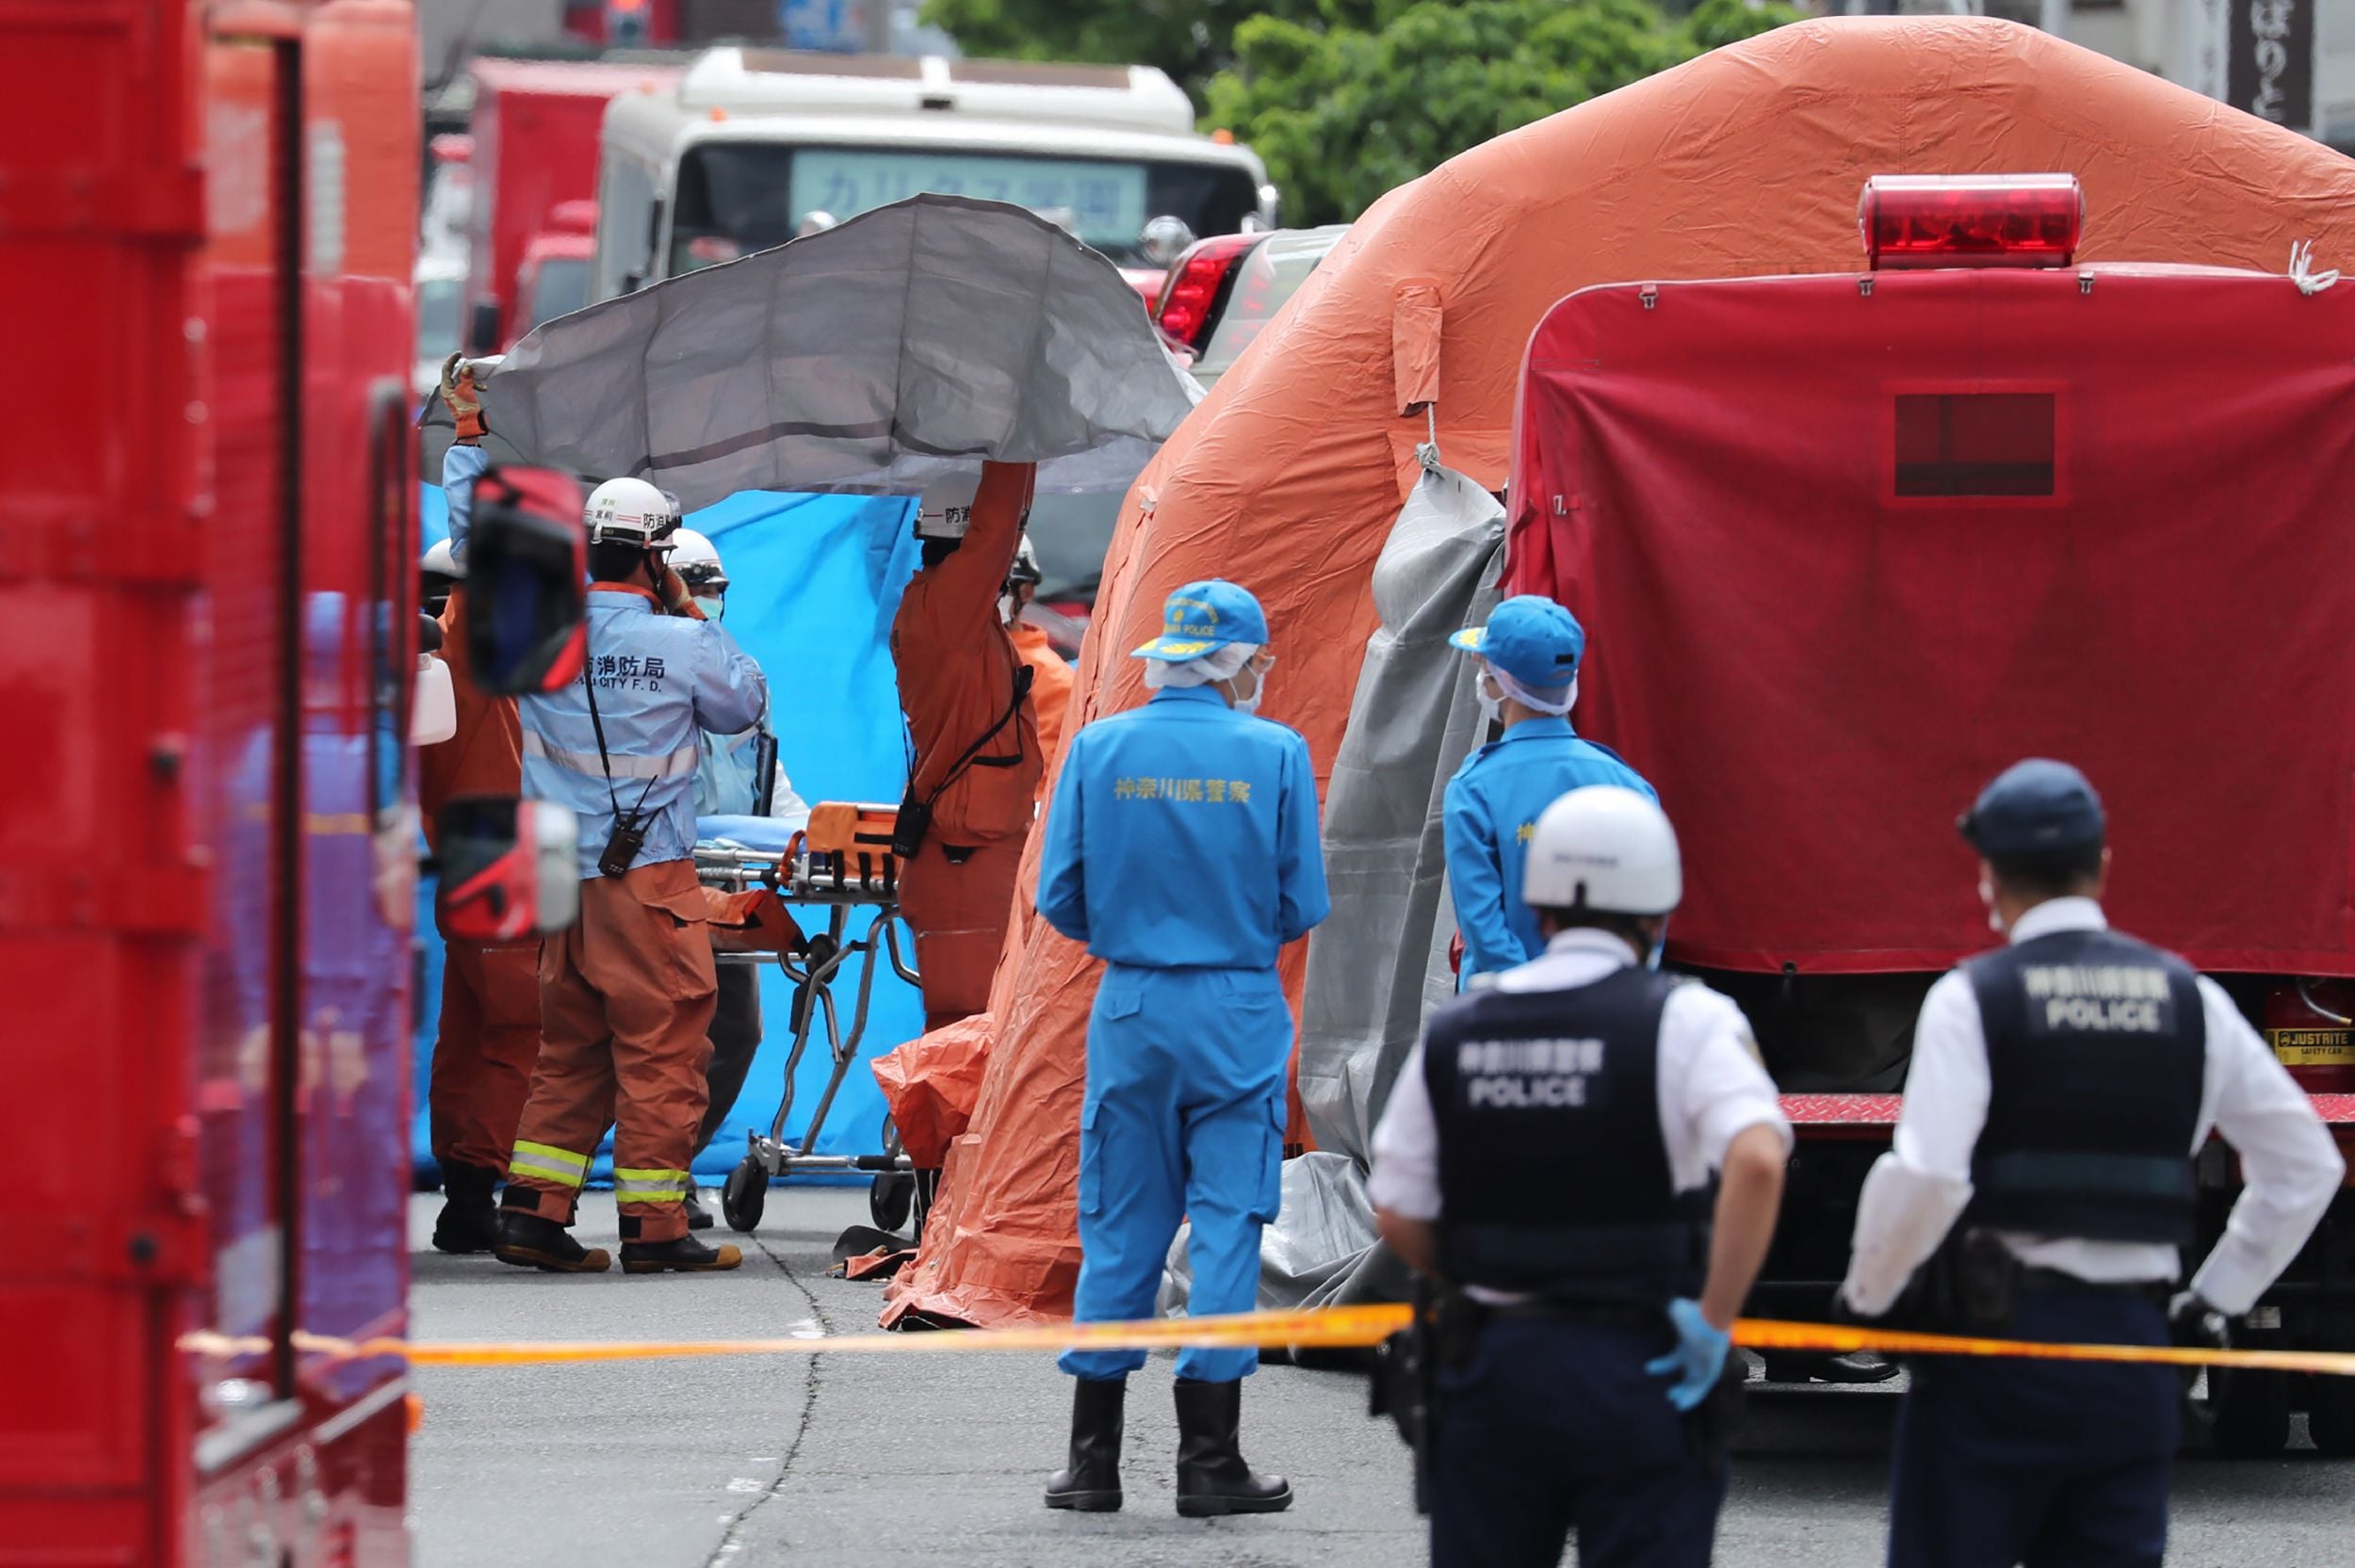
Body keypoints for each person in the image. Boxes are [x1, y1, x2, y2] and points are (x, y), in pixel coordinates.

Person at [1840, 758, 2344, 1568]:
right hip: (2129, 1355)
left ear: (1988, 877)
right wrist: (2214, 1301)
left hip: (1990, 1356)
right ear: (2103, 867)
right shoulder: (2192, 1000)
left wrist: (1868, 1295)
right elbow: (2306, 1165)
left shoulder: (1974, 998)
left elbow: (1929, 1176)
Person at [1370, 784, 1790, 1568]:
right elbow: (1760, 1157)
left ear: (1540, 907)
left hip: (1495, 1363)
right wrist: (1714, 1315)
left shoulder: (1461, 1028)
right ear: (1659, 907)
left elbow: (1394, 1205)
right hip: (1645, 1360)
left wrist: (1480, 1270)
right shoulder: (1689, 1019)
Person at [1034, 579, 1330, 1518]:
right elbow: (1299, 906)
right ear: (1239, 660)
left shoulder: (1099, 746)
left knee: (1119, 1223)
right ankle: (1210, 1462)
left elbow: (1062, 898)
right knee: (1228, 1223)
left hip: (1131, 1009)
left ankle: (1091, 1464)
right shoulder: (1276, 754)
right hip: (1236, 1008)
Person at [493, 477, 770, 1275]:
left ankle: (531, 1215)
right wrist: (684, 609)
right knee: (662, 1044)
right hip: (643, 876)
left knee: (571, 1046)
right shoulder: (684, 640)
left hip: (557, 876)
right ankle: (653, 1226)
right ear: (656, 557)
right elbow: (744, 702)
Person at [418, 362, 542, 1253]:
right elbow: (483, 543)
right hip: (506, 846)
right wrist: (470, 440)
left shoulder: (424, 665)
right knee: (516, 1028)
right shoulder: (470, 649)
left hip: (464, 845)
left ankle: (464, 1183)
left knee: (466, 1027)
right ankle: (479, 1188)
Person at [668, 526, 812, 1229]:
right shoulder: (647, 673)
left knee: (738, 1029)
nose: (708, 602)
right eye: (697, 588)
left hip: (726, 879)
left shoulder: (741, 678)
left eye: (716, 590)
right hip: (660, 877)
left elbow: (768, 780)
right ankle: (649, 1177)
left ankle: (672, 1163)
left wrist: (814, 837)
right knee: (659, 1034)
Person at [890, 462, 1045, 1030]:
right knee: (967, 1041)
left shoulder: (947, 614)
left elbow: (999, 530)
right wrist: (1017, 445)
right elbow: (998, 527)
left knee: (974, 1040)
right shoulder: (949, 608)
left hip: (968, 857)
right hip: (964, 864)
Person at [1444, 594, 1657, 986]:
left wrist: (1535, 999)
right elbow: (1649, 914)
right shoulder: (1628, 784)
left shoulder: (1474, 789)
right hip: (1611, 1014)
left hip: (1506, 1016)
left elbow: (1483, 929)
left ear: (1496, 681)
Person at [1002, 536, 1076, 796]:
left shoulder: (1053, 682)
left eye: (1000, 585)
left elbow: (1040, 791)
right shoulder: (948, 663)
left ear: (1026, 591)